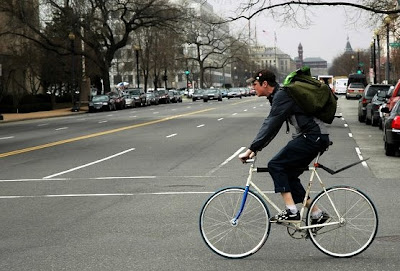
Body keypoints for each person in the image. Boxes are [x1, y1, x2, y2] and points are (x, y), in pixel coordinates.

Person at [238, 69, 330, 224]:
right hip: (314, 137)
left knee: (275, 165)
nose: (253, 88)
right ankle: (317, 213)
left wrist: (252, 149)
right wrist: (256, 148)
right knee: (289, 176)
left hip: (313, 137)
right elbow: (273, 126)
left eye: (255, 84)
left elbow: (271, 124)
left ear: (265, 84)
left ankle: (291, 211)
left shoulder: (282, 95)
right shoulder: (279, 95)